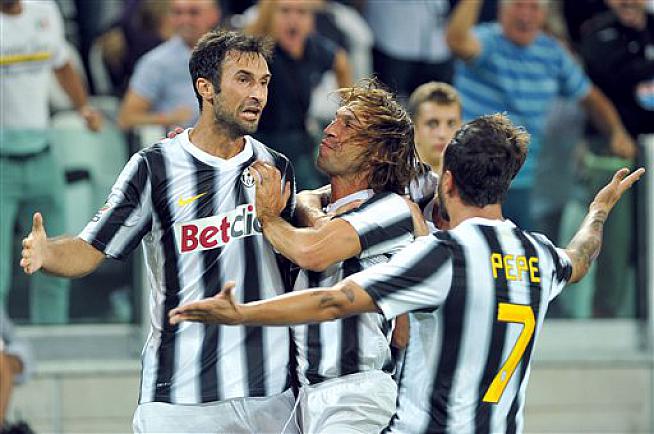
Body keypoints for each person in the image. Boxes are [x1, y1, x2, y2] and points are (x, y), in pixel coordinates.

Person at [169, 113, 645, 433]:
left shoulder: (445, 255)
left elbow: (334, 300)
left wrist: (241, 313)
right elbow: (581, 257)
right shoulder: (538, 254)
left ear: (448, 181)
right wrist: (598, 211)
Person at [20, 30, 300, 434]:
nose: (258, 94)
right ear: (206, 88)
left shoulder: (276, 167)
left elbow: (300, 257)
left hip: (270, 395)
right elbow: (90, 248)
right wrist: (47, 253)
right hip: (178, 397)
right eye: (244, 80)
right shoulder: (155, 167)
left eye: (264, 82)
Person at [249, 79, 426, 433]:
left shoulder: (392, 209)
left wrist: (269, 216)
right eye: (335, 120)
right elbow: (310, 210)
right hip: (303, 396)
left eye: (349, 125)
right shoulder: (317, 210)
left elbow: (312, 252)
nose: (330, 130)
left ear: (379, 152)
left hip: (357, 393)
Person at [446, 0, 637, 230]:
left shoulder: (552, 53)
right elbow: (457, 40)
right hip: (471, 175)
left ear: (544, 15)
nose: (526, 15)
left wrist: (617, 132)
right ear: (501, 10)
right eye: (519, 5)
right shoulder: (487, 40)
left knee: (523, 247)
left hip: (521, 178)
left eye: (534, 7)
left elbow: (591, 97)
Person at [0, 0, 103, 324]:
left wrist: (83, 107)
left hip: (43, 152)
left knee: (52, 253)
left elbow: (60, 63)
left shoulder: (44, 11)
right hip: (2, 158)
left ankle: (52, 334)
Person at [245, 0, 352, 190]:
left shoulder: (312, 47)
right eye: (285, 11)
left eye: (302, 12)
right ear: (270, 15)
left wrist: (349, 114)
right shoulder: (257, 51)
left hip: (300, 139)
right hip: (259, 139)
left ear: (311, 19)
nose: (293, 19)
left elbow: (341, 61)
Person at [117, 0, 220, 130]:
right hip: (181, 137)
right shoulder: (156, 62)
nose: (184, 20)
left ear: (214, 15)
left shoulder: (231, 56)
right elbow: (126, 119)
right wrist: (169, 119)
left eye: (193, 13)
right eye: (177, 13)